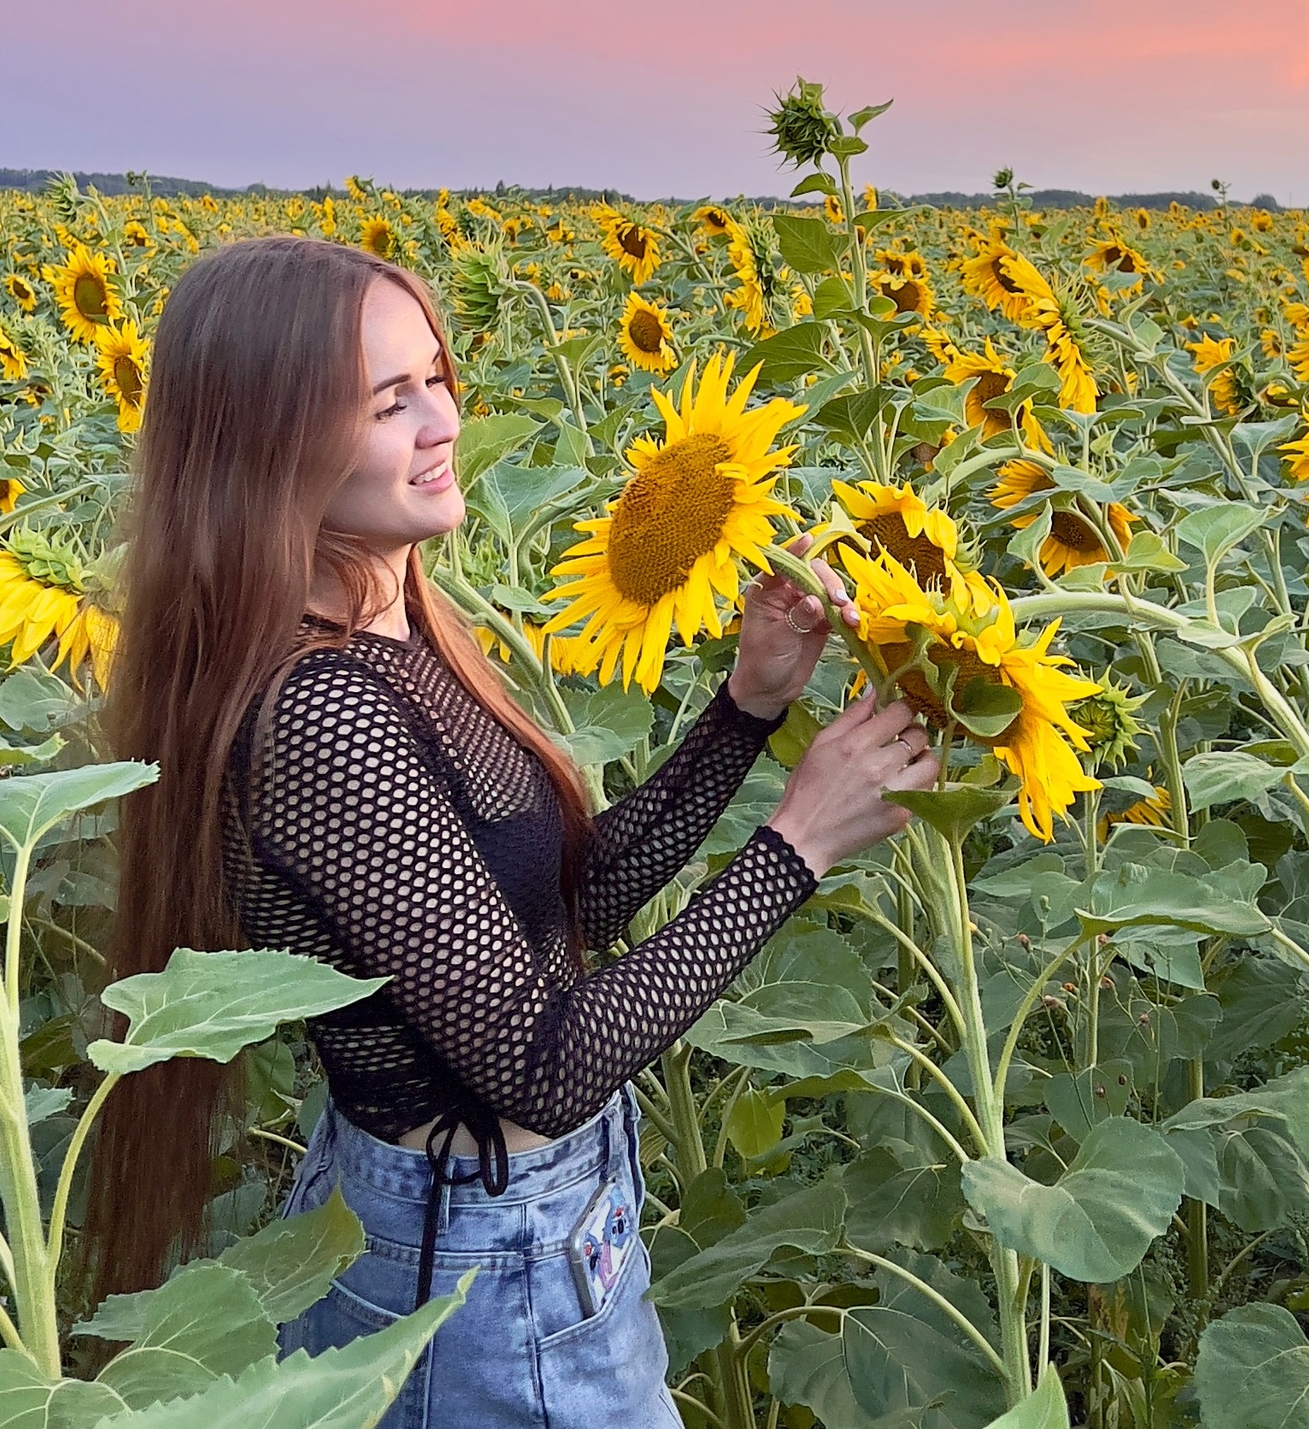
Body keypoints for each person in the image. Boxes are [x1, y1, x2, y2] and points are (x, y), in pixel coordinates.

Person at [86, 235, 926, 1427]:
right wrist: (797, 843)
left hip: (519, 1228)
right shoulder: (324, 712)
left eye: (434, 377)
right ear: (269, 440)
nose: (439, 421)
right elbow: (542, 1060)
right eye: (388, 400)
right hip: (479, 1269)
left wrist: (746, 709)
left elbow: (559, 910)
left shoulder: (390, 636)